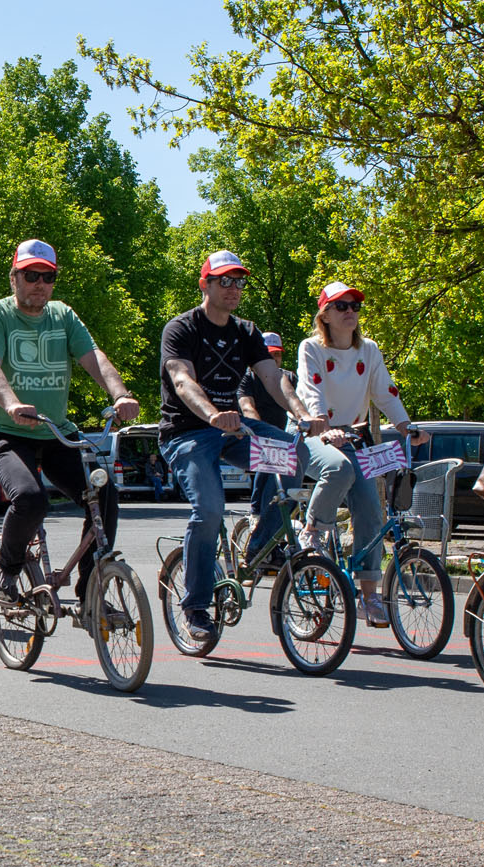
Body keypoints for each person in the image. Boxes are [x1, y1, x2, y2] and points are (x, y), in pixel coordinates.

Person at [159, 251, 322, 643]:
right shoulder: (181, 329)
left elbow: (273, 378)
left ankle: (260, 545)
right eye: (224, 281)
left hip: (231, 430)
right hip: (187, 434)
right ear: (205, 285)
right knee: (210, 508)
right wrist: (213, 414)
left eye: (238, 281)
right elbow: (182, 381)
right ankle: (196, 606)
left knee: (292, 452)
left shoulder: (246, 331)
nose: (233, 288)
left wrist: (302, 414)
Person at [0, 239, 139, 607]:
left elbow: (93, 355)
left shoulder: (62, 315)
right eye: (31, 275)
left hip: (55, 431)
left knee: (104, 494)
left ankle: (92, 587)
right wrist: (13, 404)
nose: (40, 284)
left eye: (48, 277)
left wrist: (120, 394)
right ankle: (8, 568)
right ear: (13, 277)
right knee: (31, 498)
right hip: (5, 433)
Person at [295, 281, 430, 628]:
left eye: (355, 306)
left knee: (371, 509)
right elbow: (313, 390)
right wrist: (324, 426)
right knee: (339, 469)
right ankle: (313, 530)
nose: (351, 311)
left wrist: (406, 426)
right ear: (324, 313)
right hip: (310, 433)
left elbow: (384, 391)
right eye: (341, 306)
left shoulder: (368, 350)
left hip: (350, 436)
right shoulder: (311, 348)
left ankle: (369, 594)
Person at [237, 330, 297, 519]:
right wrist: (260, 432)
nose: (274, 358)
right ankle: (256, 514)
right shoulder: (247, 378)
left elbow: (301, 403)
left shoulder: (290, 378)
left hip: (286, 435)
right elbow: (247, 407)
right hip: (258, 435)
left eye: (277, 354)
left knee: (292, 481)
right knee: (267, 466)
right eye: (269, 355)